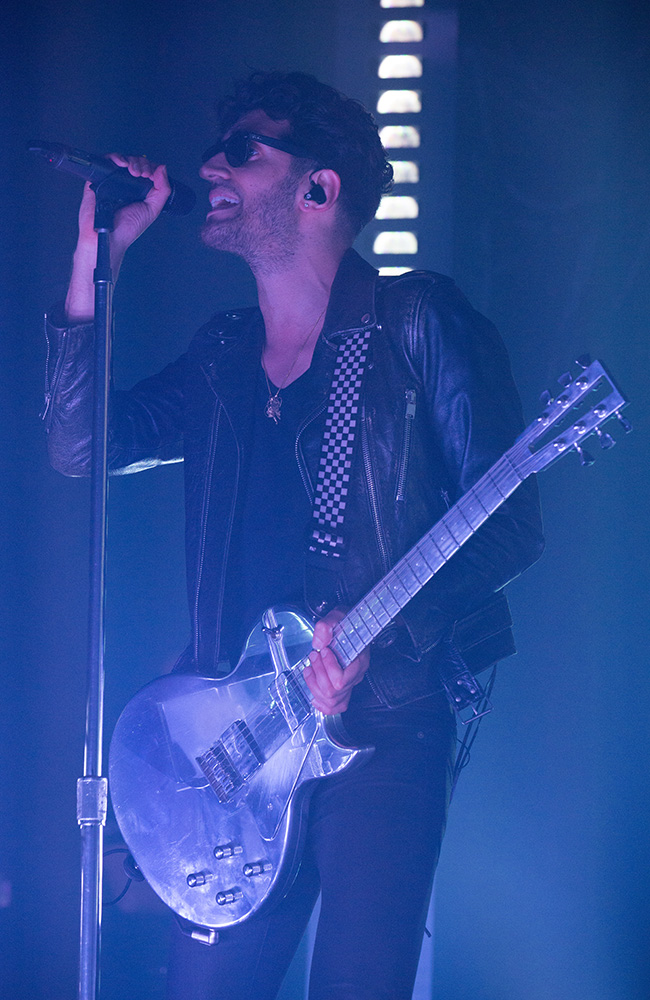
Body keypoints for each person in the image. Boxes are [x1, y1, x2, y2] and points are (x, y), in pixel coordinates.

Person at [45, 72, 543, 1000]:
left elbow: (509, 524)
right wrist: (96, 256)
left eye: (243, 149)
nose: (208, 166)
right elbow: (81, 445)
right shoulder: (223, 352)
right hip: (236, 745)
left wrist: (372, 631)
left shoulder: (413, 322)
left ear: (318, 189)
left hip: (384, 724)